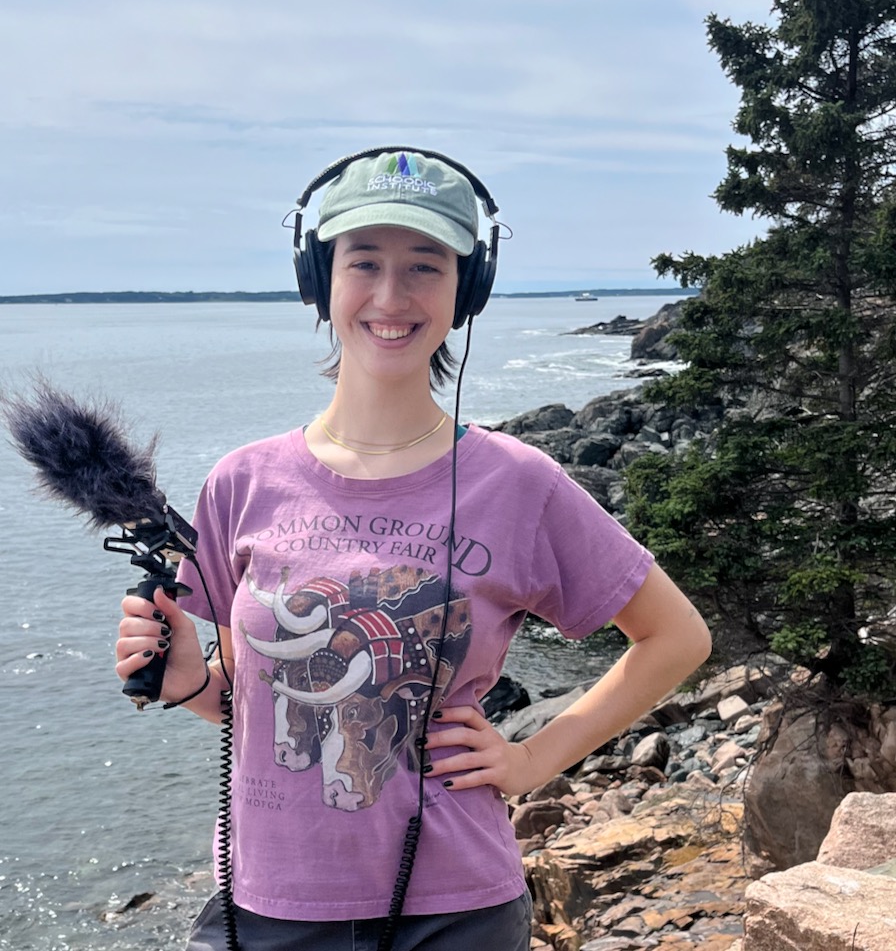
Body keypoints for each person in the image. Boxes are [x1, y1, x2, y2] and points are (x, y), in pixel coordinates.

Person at [114, 147, 712, 951]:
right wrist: (188, 678)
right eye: (364, 262)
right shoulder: (240, 484)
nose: (391, 296)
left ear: (469, 288)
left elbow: (676, 636)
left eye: (425, 266)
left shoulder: (519, 482)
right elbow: (261, 701)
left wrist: (533, 759)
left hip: (455, 912)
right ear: (319, 278)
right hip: (267, 905)